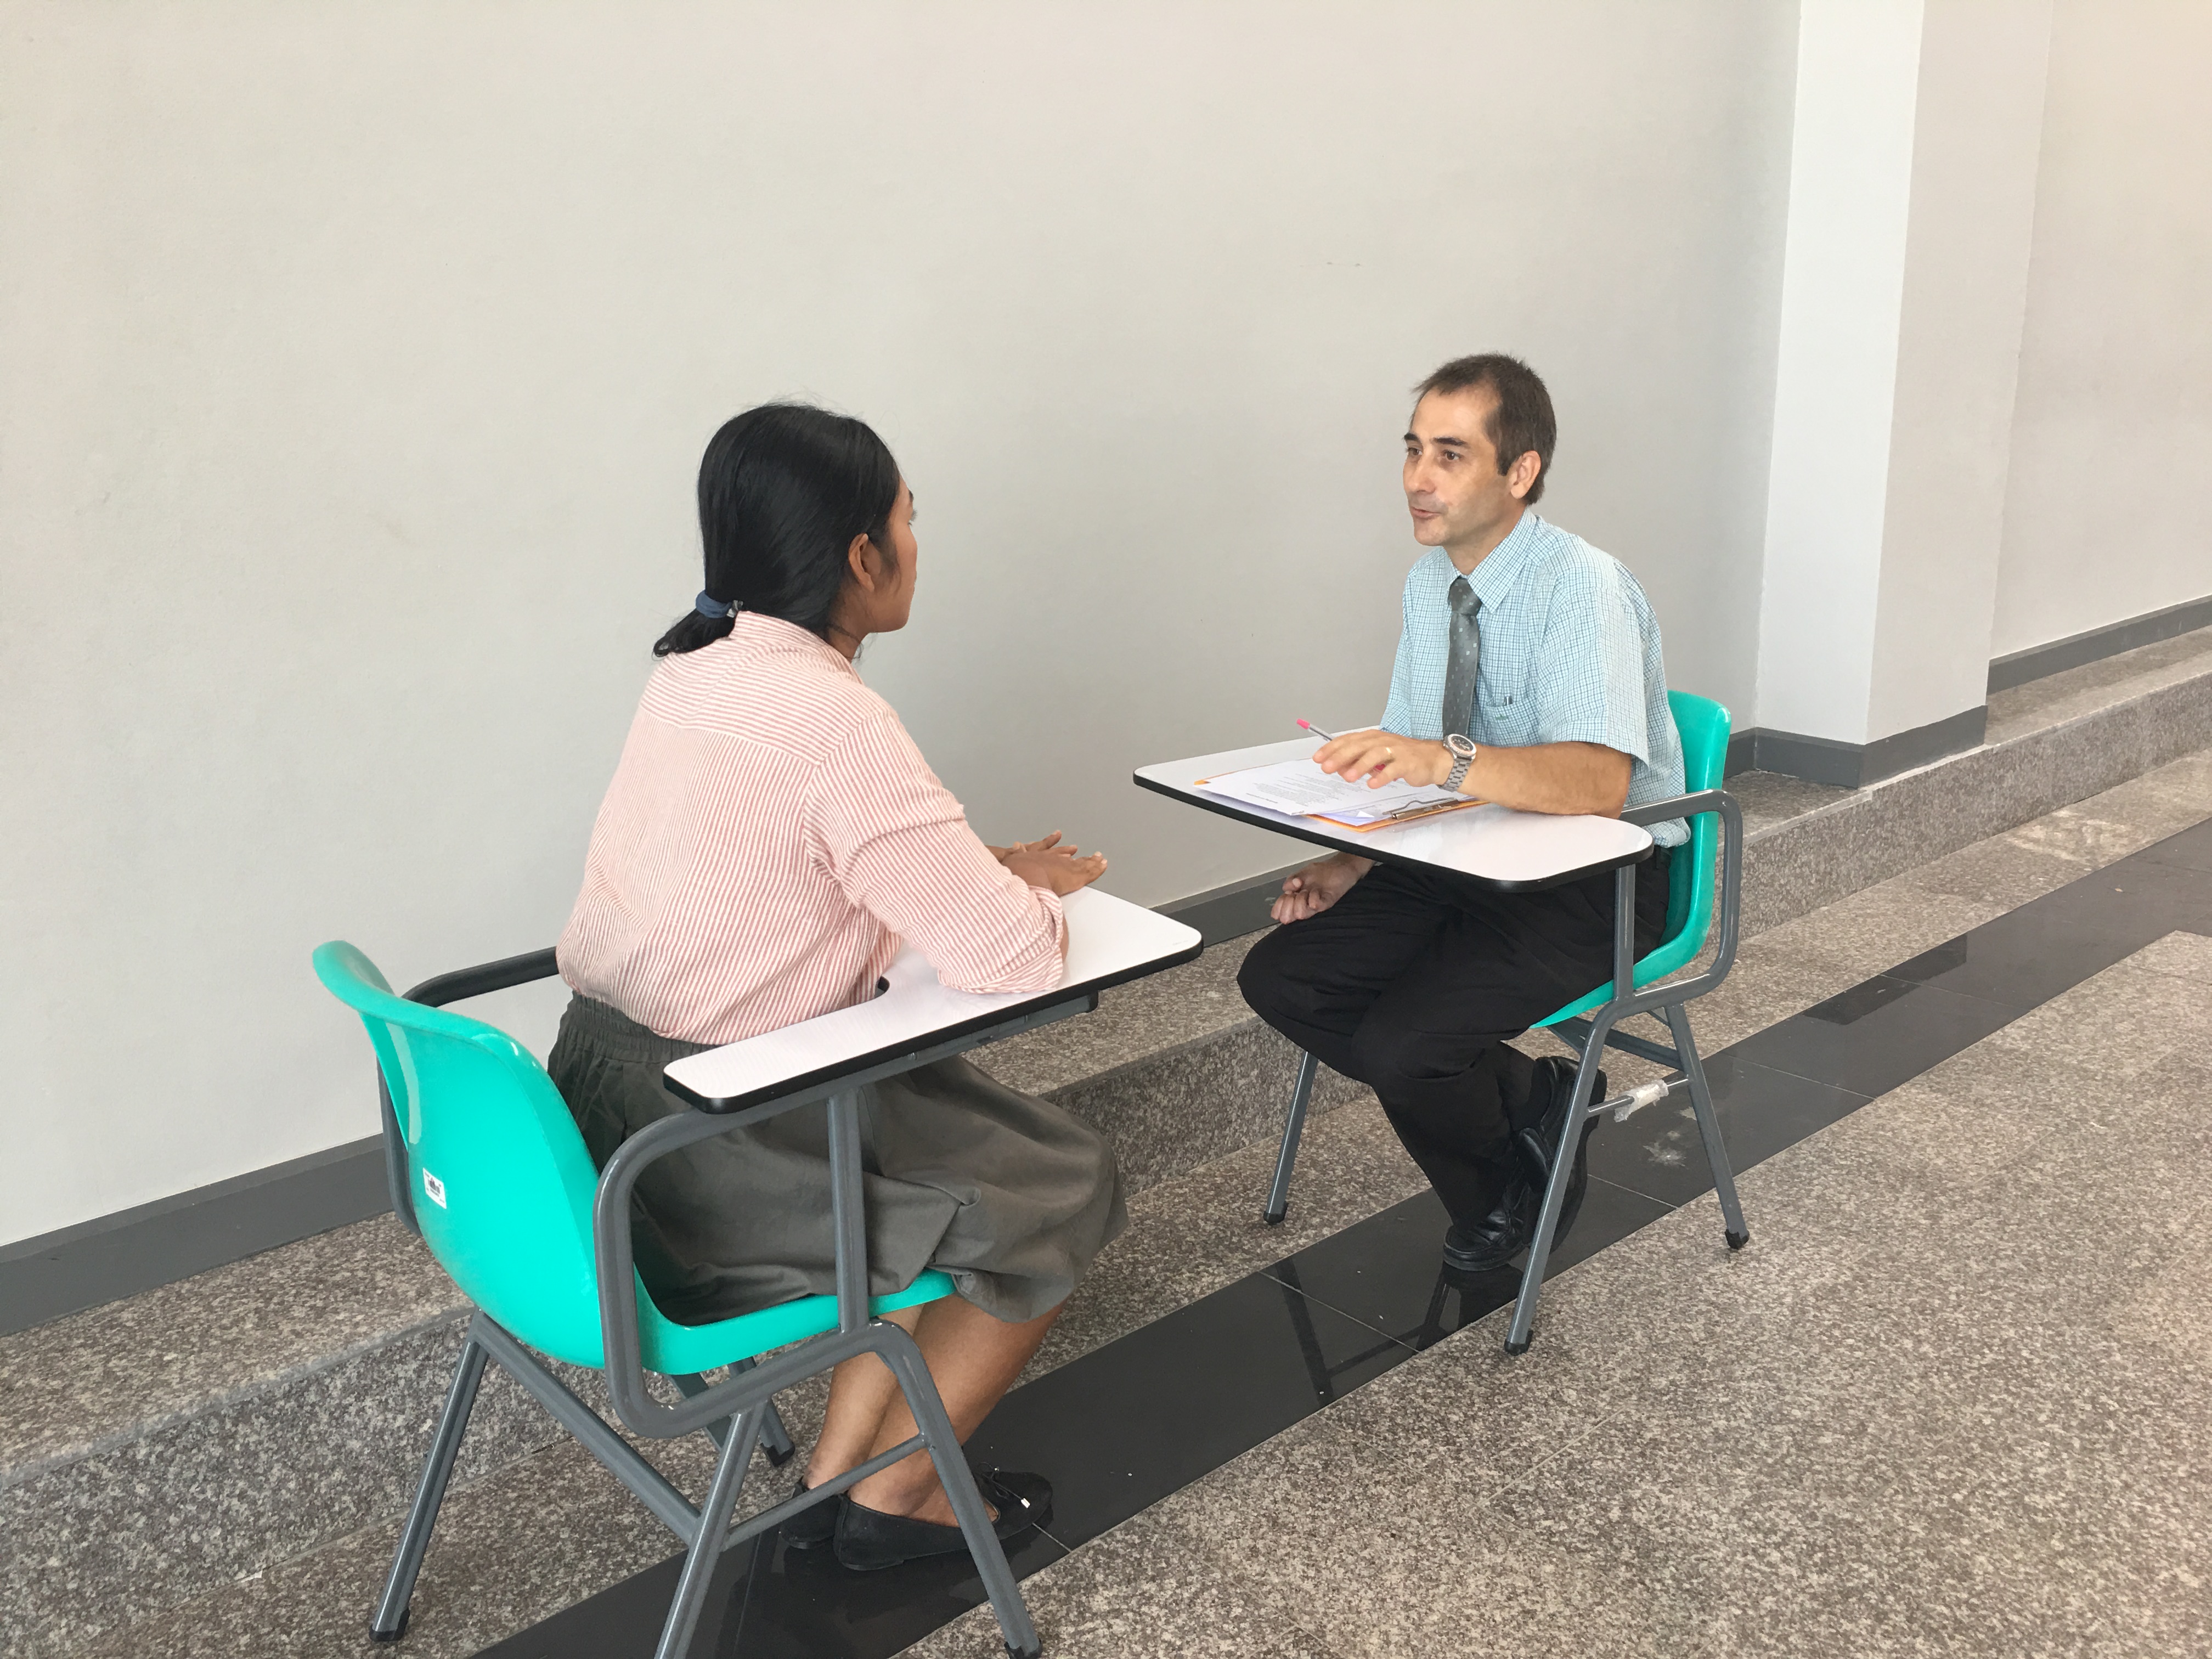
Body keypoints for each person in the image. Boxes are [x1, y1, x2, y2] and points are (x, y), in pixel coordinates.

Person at [550, 402, 1119, 1571]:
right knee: (1064, 1185)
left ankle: (838, 1474)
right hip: (714, 1141)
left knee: (946, 1149)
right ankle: (897, 1499)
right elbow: (1010, 958)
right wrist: (1016, 898)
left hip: (598, 1116)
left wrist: (974, 868)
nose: (917, 543)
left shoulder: (692, 672)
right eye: (908, 521)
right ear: (862, 556)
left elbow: (773, 870)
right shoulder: (835, 717)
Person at [1237, 354, 1687, 1275]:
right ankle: (1535, 1104)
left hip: (1599, 876)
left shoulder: (1582, 585)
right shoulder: (1429, 585)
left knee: (1406, 1046)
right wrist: (1353, 861)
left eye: (1450, 455)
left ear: (1520, 472)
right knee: (1283, 979)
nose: (1417, 478)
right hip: (1466, 856)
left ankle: (1497, 1194)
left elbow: (1598, 784)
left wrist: (1449, 761)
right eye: (1412, 451)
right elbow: (1410, 762)